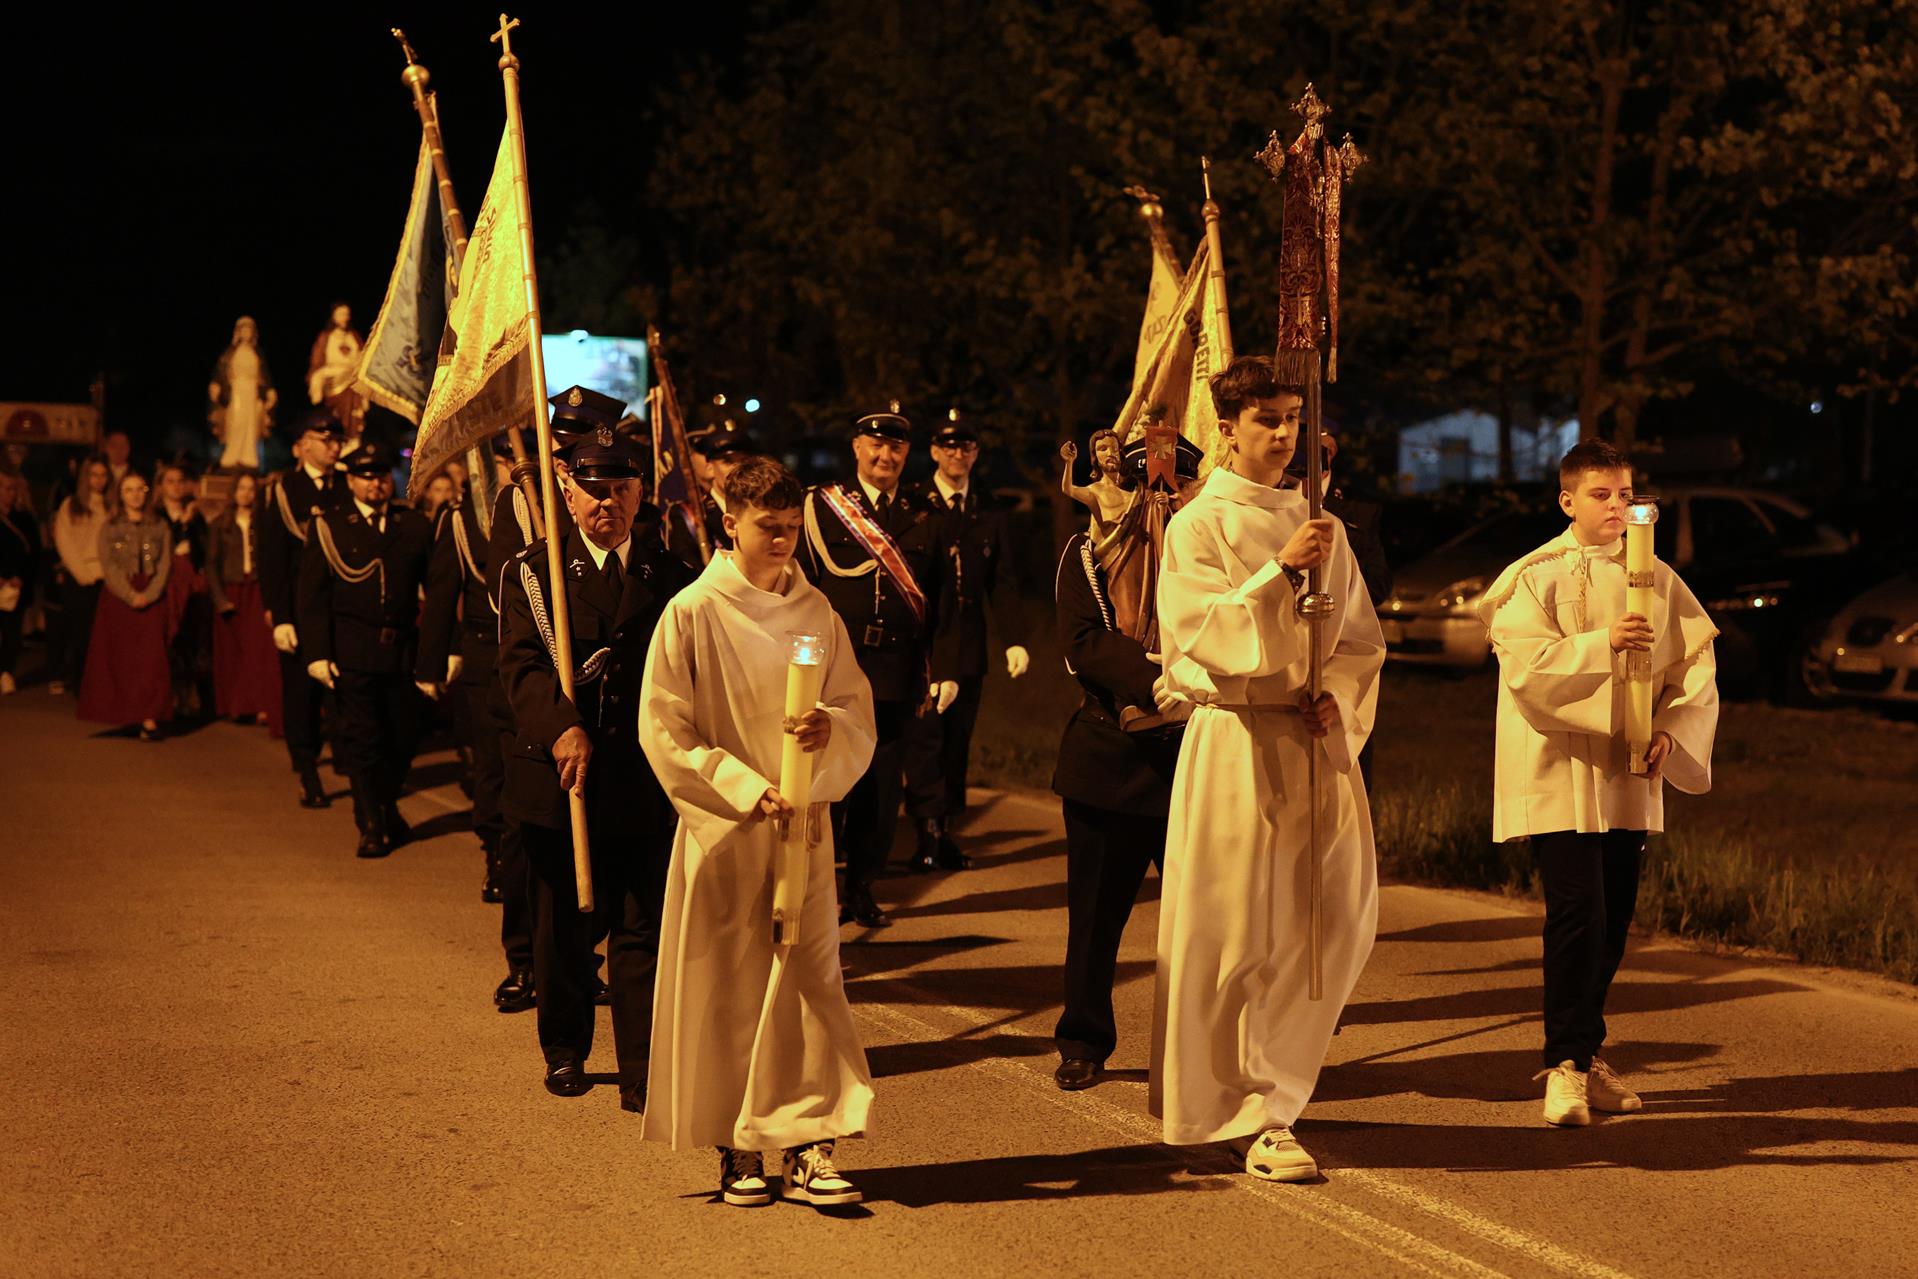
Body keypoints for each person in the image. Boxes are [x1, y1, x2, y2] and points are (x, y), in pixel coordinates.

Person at [1151, 355, 1384, 1182]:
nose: (1286, 434)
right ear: (1227, 427)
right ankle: (1250, 1108)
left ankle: (1278, 1087)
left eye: (1293, 418)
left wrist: (1339, 700)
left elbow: (1358, 641)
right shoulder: (1198, 524)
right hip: (1237, 741)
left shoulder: (1325, 524)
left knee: (1327, 924)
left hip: (1312, 747)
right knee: (1238, 930)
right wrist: (1280, 571)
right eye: (1267, 419)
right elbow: (1198, 633)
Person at [639, 454, 878, 1208]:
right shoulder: (692, 611)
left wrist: (828, 728)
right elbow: (663, 726)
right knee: (733, 988)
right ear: (728, 523)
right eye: (766, 527)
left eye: (790, 528)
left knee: (811, 984)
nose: (781, 541)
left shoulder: (817, 612)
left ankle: (809, 1143)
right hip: (729, 829)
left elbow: (853, 703)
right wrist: (744, 787)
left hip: (803, 826)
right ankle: (738, 1145)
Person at [1477, 439, 1719, 1127]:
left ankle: (1585, 1053)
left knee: (1613, 918)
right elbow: (1527, 667)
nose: (1617, 506)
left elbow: (1693, 664)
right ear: (1568, 501)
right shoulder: (1534, 575)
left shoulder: (1658, 578)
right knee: (1576, 911)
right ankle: (1564, 1065)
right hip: (1558, 764)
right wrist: (1602, 643)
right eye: (1601, 494)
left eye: (1625, 494)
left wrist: (1668, 728)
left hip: (1627, 768)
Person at [497, 420, 692, 1107]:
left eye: (620, 488)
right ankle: (565, 1049)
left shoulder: (674, 576)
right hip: (562, 781)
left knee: (643, 930)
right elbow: (521, 666)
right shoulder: (533, 571)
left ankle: (640, 1067)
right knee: (565, 932)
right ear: (569, 494)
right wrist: (562, 728)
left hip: (642, 778)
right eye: (593, 489)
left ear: (640, 493)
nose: (606, 501)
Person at [1051, 432, 1202, 1092]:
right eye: (1152, 487)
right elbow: (1084, 641)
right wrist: (1160, 682)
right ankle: (1084, 1039)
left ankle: (1201, 1049)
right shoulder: (1087, 553)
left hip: (1195, 761)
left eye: (1176, 487)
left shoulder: (1210, 559)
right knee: (1095, 919)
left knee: (1205, 922)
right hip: (1110, 759)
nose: (1162, 500)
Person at [796, 403, 946, 929]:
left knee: (880, 792)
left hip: (895, 675)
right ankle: (817, 892)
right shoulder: (822, 506)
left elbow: (940, 598)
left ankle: (861, 887)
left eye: (896, 447)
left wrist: (939, 668)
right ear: (857, 447)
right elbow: (802, 588)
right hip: (835, 670)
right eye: (876, 445)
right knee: (826, 787)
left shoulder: (925, 511)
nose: (886, 455)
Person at [902, 410, 1028, 871]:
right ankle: (926, 831)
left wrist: (1014, 639)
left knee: (957, 743)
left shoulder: (987, 508)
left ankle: (947, 828)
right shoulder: (915, 503)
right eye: (949, 447)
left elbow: (1003, 581)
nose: (958, 455)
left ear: (976, 454)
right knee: (925, 741)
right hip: (927, 640)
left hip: (970, 643)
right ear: (935, 452)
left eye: (967, 447)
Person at [296, 443, 435, 858]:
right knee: (362, 738)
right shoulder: (331, 525)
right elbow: (313, 595)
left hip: (402, 649)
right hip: (353, 648)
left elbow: (436, 588)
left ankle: (387, 805)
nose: (376, 483)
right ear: (351, 481)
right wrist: (317, 653)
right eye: (366, 476)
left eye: (381, 475)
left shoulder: (413, 525)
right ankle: (370, 822)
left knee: (403, 736)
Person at [258, 410, 348, 809]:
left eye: (337, 440)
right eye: (325, 440)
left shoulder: (347, 484)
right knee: (302, 694)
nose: (334, 447)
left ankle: (347, 755)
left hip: (340, 608)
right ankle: (307, 768)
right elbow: (272, 559)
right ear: (303, 445)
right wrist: (280, 616)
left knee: (342, 691)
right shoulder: (284, 490)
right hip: (299, 607)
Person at [78, 470, 174, 740]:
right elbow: (109, 566)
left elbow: (165, 564)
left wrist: (150, 594)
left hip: (151, 594)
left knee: (152, 660)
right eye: (128, 490)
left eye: (139, 489)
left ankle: (150, 716)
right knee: (122, 658)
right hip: (120, 597)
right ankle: (128, 713)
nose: (134, 495)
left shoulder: (160, 525)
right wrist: (131, 595)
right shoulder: (110, 527)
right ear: (120, 494)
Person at [205, 472, 281, 724]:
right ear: (234, 492)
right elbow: (212, 564)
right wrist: (220, 599)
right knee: (233, 651)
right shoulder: (220, 524)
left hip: (256, 588)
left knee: (260, 649)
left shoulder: (263, 522)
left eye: (250, 489)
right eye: (241, 488)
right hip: (232, 589)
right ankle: (236, 705)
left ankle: (262, 705)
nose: (246, 494)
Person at [48, 453, 112, 695]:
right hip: (79, 578)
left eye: (103, 475)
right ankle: (81, 684)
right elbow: (64, 542)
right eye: (94, 475)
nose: (99, 480)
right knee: (81, 634)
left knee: (103, 635)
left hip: (107, 579)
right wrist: (82, 573)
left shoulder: (111, 507)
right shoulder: (71, 505)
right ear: (86, 477)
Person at [156, 463, 211, 721]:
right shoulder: (156, 516)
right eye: (170, 481)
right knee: (169, 637)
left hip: (193, 581)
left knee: (192, 636)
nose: (176, 486)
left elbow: (205, 549)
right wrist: (182, 524)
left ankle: (189, 693)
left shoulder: (196, 516)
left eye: (180, 481)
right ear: (161, 486)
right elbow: (163, 547)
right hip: (168, 581)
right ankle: (168, 695)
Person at [665, 415, 751, 570]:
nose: (737, 468)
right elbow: (686, 570)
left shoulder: (757, 509)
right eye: (728, 461)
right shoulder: (690, 515)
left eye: (743, 461)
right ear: (710, 467)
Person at [207, 316, 278, 471]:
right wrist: (216, 384)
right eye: (243, 330)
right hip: (236, 390)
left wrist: (269, 390)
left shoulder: (257, 353)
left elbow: (264, 375)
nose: (246, 333)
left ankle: (248, 456)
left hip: (252, 391)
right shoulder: (230, 353)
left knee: (250, 423)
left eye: (249, 330)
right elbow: (220, 371)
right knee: (236, 422)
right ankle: (232, 455)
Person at [0, 469, 42, 695]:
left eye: (13, 489)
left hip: (15, 587)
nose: (10, 493)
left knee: (12, 633)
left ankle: (6, 672)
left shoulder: (24, 520)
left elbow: (33, 554)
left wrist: (20, 577)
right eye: (6, 488)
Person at [1059, 429, 1134, 545]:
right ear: (1095, 456)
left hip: (1136, 547)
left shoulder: (1134, 490)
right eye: (1103, 449)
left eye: (1114, 449)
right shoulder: (1095, 491)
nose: (1110, 453)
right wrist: (1069, 462)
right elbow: (1068, 489)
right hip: (1110, 551)